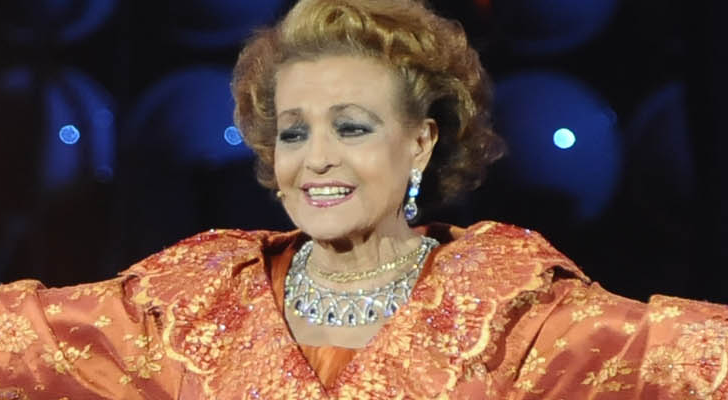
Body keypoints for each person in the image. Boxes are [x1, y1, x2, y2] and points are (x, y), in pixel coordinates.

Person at [2, 0, 727, 398]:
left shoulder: (508, 306)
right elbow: (23, 340)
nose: (316, 157)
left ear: (420, 142)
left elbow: (692, 357)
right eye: (294, 132)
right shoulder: (194, 297)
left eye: (351, 127)